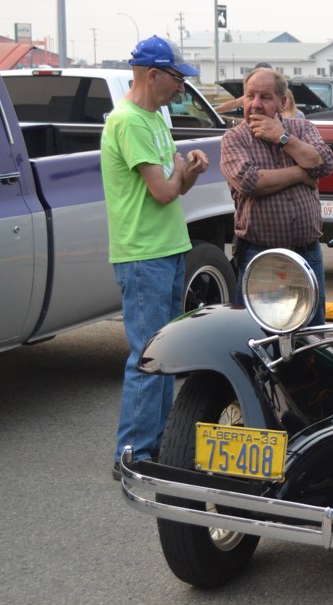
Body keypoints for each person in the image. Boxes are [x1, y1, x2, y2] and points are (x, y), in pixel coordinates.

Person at [101, 35, 209, 480]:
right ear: (152, 75)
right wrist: (183, 172)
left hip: (166, 248)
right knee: (147, 356)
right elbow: (165, 190)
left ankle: (156, 442)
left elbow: (173, 187)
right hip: (144, 255)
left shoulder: (154, 118)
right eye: (177, 79)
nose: (181, 88)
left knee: (165, 354)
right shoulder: (129, 122)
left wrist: (191, 172)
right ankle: (133, 454)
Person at [220, 67, 333, 322]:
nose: (256, 104)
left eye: (265, 97)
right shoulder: (234, 139)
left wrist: (282, 138)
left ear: (282, 103)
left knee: (310, 335)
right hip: (261, 257)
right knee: (260, 337)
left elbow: (324, 163)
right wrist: (302, 174)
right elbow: (250, 181)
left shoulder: (302, 128)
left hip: (307, 254)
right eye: (250, 96)